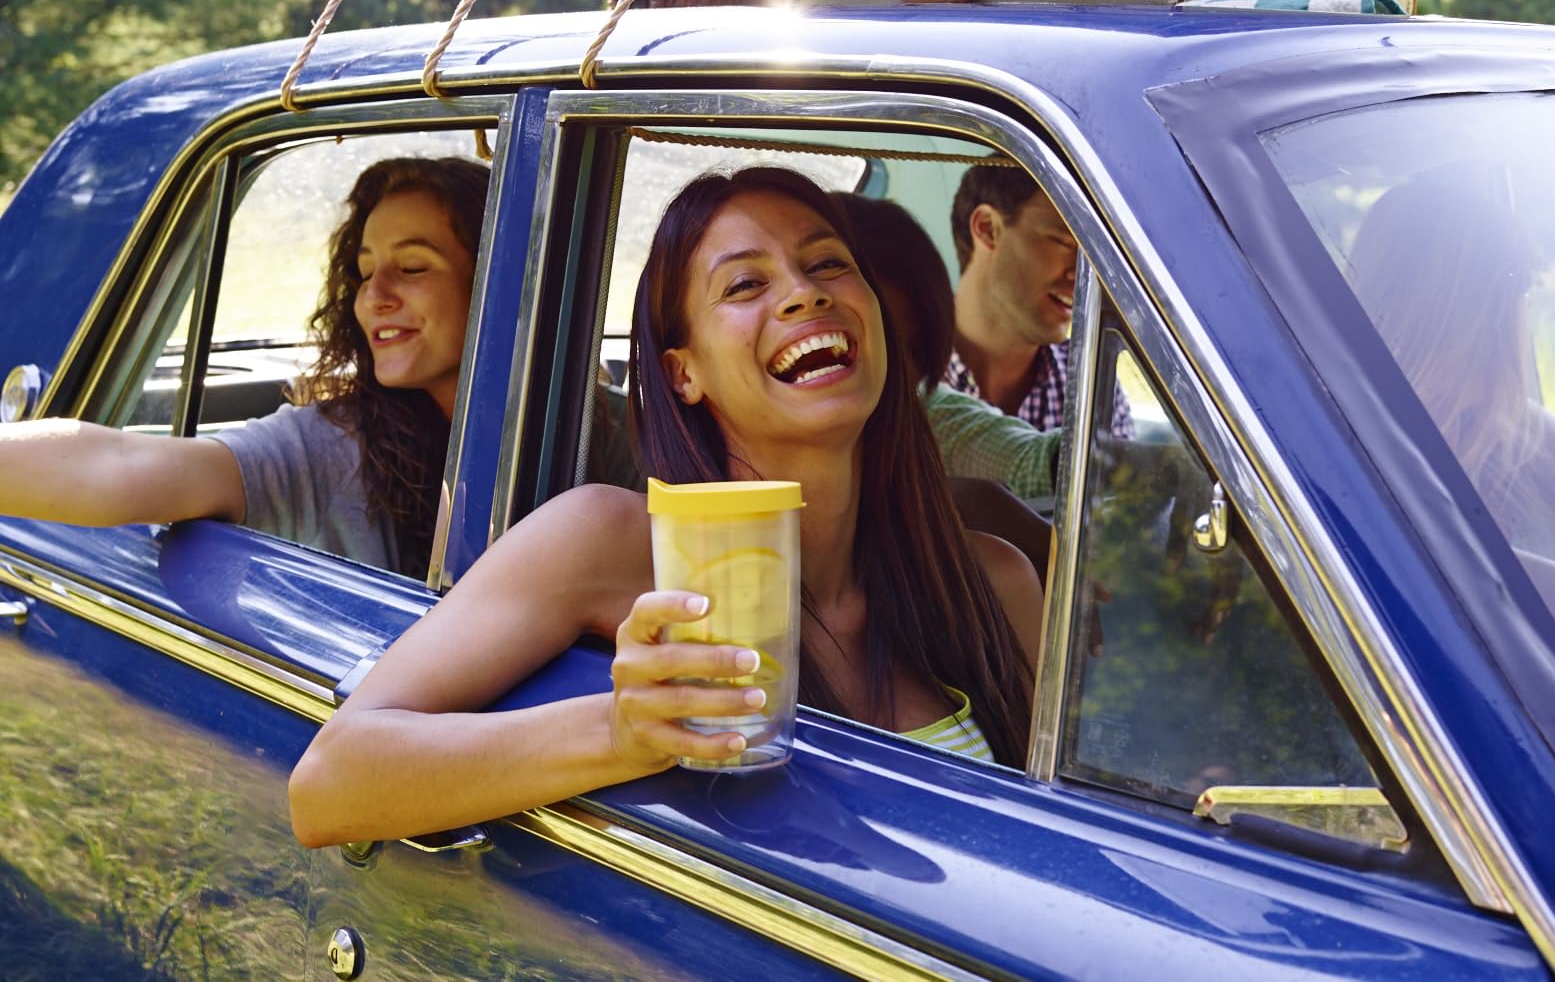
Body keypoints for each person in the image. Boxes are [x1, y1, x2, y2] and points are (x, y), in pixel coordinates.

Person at [288, 166, 1043, 848]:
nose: (805, 293)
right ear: (684, 373)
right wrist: (619, 732)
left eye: (827, 265)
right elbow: (328, 784)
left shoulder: (994, 585)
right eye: (744, 285)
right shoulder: (613, 541)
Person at [0, 156, 489, 578]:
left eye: (412, 268)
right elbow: (120, 464)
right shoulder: (334, 445)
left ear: (494, 276)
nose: (373, 297)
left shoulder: (540, 434)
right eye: (363, 273)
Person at [1347, 179, 1555, 679]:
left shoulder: (1508, 432)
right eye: (1522, 284)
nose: (1527, 311)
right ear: (1472, 307)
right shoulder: (1373, 469)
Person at [836, 192, 1062, 502]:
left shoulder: (922, 419)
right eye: (855, 346)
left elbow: (1029, 459)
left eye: (916, 353)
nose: (894, 376)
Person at [946, 165, 1131, 438]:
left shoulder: (1095, 389)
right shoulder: (898, 369)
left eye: (1093, 258)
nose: (1084, 276)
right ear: (988, 228)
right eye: (1064, 242)